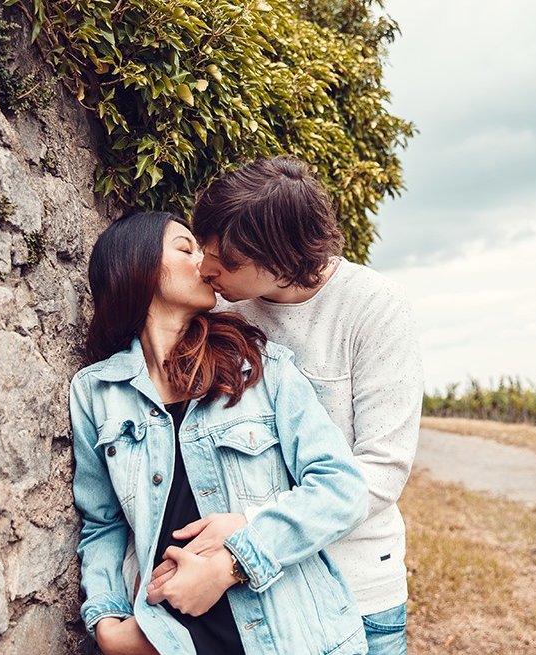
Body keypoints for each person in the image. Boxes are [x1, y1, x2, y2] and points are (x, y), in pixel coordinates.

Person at [70, 210, 370, 654]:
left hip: (289, 633)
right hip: (172, 639)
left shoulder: (261, 367)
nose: (207, 262)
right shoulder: (96, 392)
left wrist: (232, 563)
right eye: (186, 248)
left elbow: (342, 489)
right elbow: (102, 523)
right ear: (138, 267)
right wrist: (107, 621)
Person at [179, 157, 424, 654]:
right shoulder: (221, 308)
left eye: (224, 261)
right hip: (260, 600)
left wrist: (249, 533)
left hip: (357, 592)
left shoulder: (375, 307)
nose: (205, 269)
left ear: (280, 260)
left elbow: (381, 470)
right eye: (204, 249)